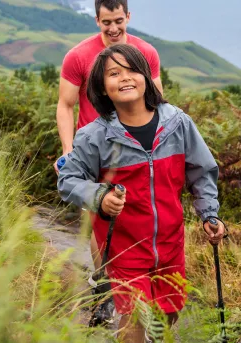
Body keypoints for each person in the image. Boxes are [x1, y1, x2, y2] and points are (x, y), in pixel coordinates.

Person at [57, 44, 226, 342]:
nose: (125, 78)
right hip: (124, 248)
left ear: (146, 77)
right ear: (102, 87)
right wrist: (99, 196)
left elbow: (201, 171)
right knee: (134, 316)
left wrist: (209, 214)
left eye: (132, 70)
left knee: (169, 312)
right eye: (114, 73)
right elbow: (68, 179)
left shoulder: (178, 124)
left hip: (171, 244)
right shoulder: (95, 136)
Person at [55, 0, 163, 273]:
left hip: (137, 147)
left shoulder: (146, 53)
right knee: (98, 217)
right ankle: (104, 286)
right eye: (106, 22)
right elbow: (65, 106)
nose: (113, 28)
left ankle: (135, 279)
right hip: (94, 150)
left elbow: (157, 102)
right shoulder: (78, 57)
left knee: (138, 216)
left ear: (128, 16)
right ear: (97, 21)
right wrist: (68, 150)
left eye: (118, 21)